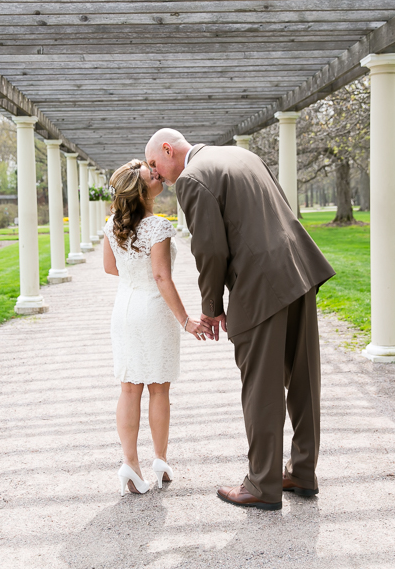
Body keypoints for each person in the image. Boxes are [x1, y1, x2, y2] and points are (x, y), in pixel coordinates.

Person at [145, 129, 335, 511]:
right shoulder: (240, 156)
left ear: (169, 149)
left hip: (261, 287)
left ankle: (263, 484)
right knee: (304, 379)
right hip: (299, 270)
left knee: (261, 387)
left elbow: (210, 249)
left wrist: (212, 306)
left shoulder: (192, 179)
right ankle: (302, 471)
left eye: (154, 164)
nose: (156, 175)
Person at [103, 159, 212, 496]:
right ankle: (160, 459)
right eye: (152, 175)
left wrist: (136, 278)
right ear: (142, 189)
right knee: (159, 390)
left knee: (129, 388)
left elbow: (111, 269)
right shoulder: (158, 227)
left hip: (124, 310)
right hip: (152, 311)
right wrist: (185, 319)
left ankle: (129, 464)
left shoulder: (111, 225)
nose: (158, 175)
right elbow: (162, 277)